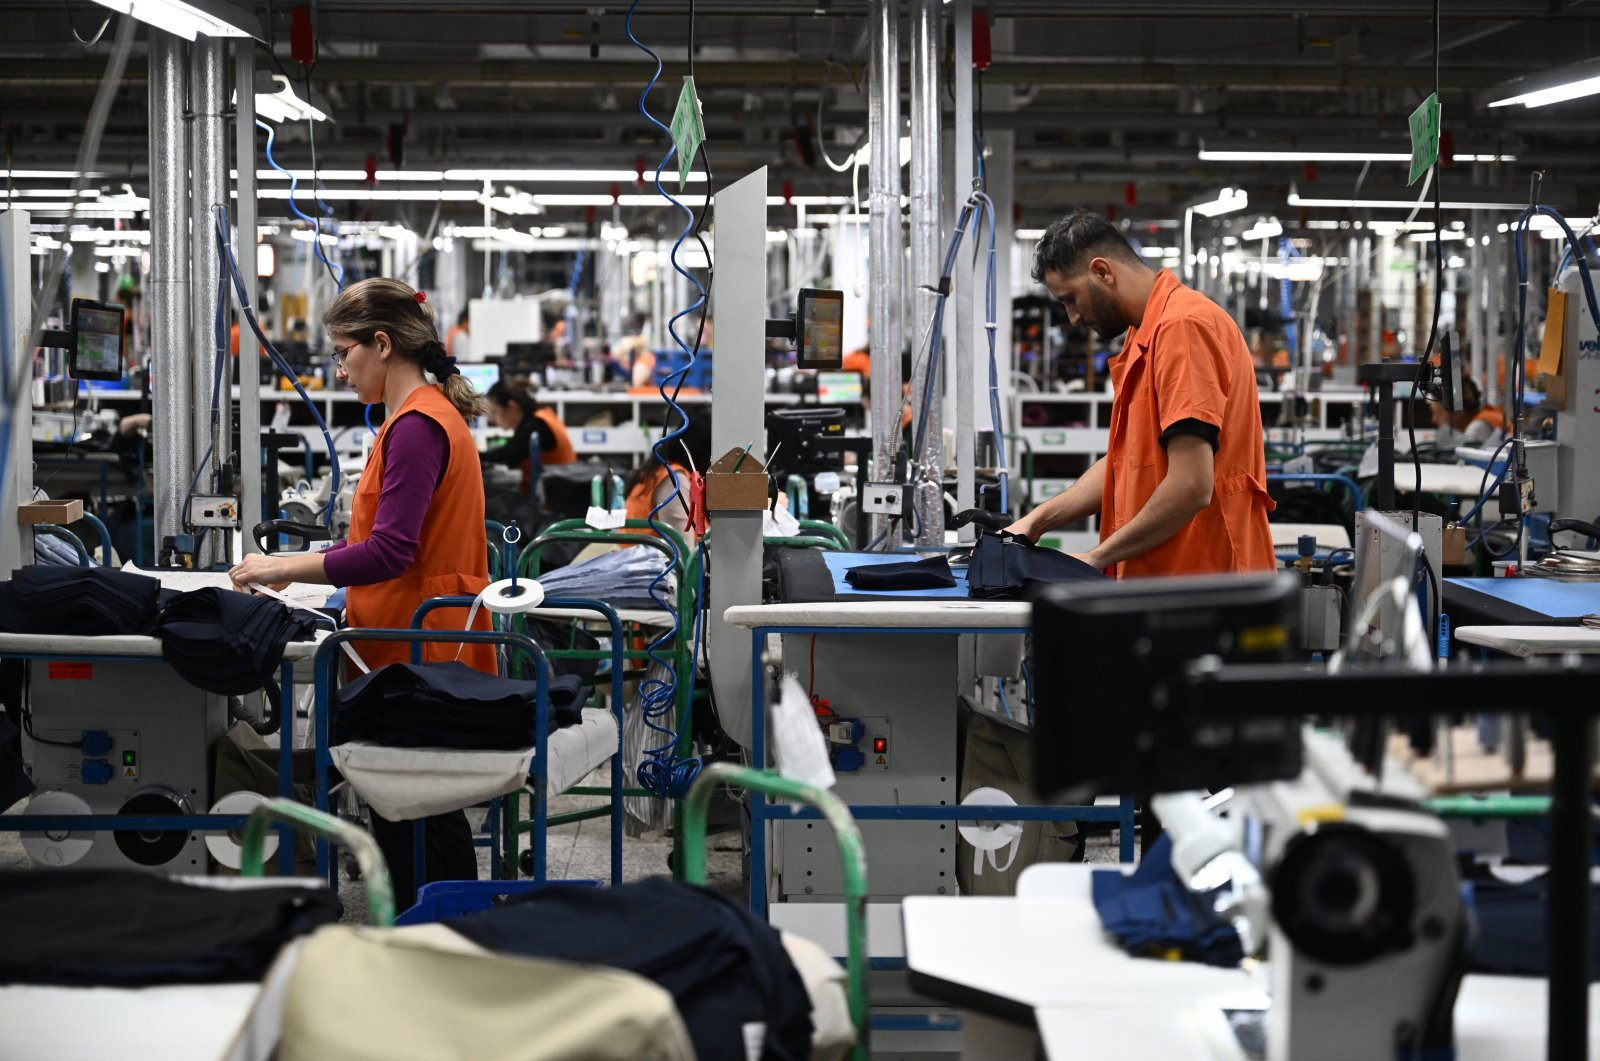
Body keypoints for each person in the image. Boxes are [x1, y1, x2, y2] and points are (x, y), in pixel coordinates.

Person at [227, 277, 492, 907]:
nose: (340, 370)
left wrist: (285, 567)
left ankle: (442, 938)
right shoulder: (411, 419)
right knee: (411, 808)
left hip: (418, 651)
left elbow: (391, 552)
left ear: (381, 344)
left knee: (416, 811)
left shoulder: (419, 427)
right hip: (403, 642)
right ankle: (436, 935)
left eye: (344, 353)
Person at [1005, 210, 1275, 578]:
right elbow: (1126, 463)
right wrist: (1036, 522)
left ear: (1102, 272)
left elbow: (1192, 485)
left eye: (1071, 299)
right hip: (1167, 582)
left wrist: (1095, 557)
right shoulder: (1143, 335)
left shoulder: (1184, 327)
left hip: (1207, 583)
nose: (1074, 318)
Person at [482, 379, 577, 494]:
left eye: (495, 412)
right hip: (557, 489)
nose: (492, 420)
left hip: (556, 496)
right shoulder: (541, 416)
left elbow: (507, 455)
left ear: (512, 407)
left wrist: (474, 455)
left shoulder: (535, 426)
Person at [1431, 376, 1506, 448]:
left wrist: (1445, 428)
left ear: (1457, 410)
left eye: (1438, 413)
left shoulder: (1477, 428)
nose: (1434, 419)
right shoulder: (1487, 416)